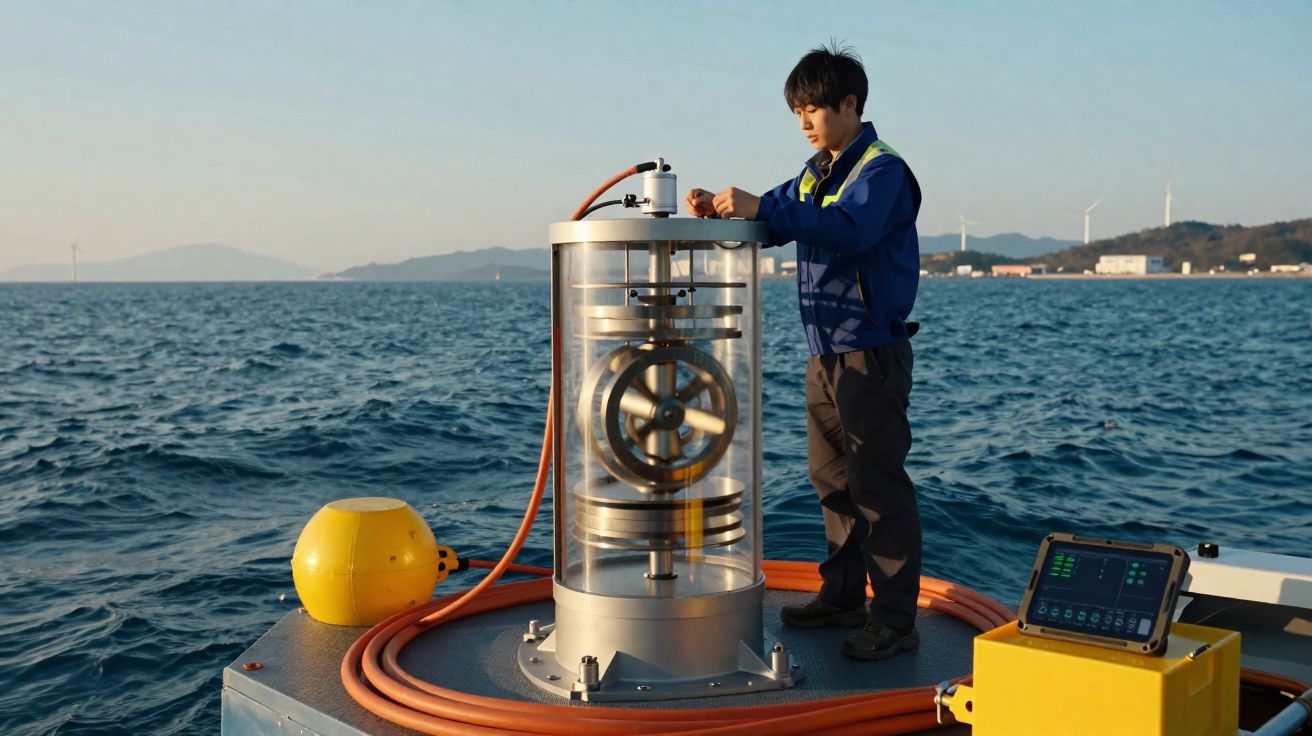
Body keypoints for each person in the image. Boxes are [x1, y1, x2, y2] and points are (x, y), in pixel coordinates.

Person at [685, 44, 923, 662]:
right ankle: (844, 596)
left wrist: (765, 208)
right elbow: (775, 221)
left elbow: (850, 229)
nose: (804, 122)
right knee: (832, 480)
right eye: (797, 113)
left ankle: (895, 620)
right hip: (824, 353)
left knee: (879, 487)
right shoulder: (816, 172)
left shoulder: (881, 170)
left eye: (813, 108)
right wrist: (719, 212)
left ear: (850, 103)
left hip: (871, 351)